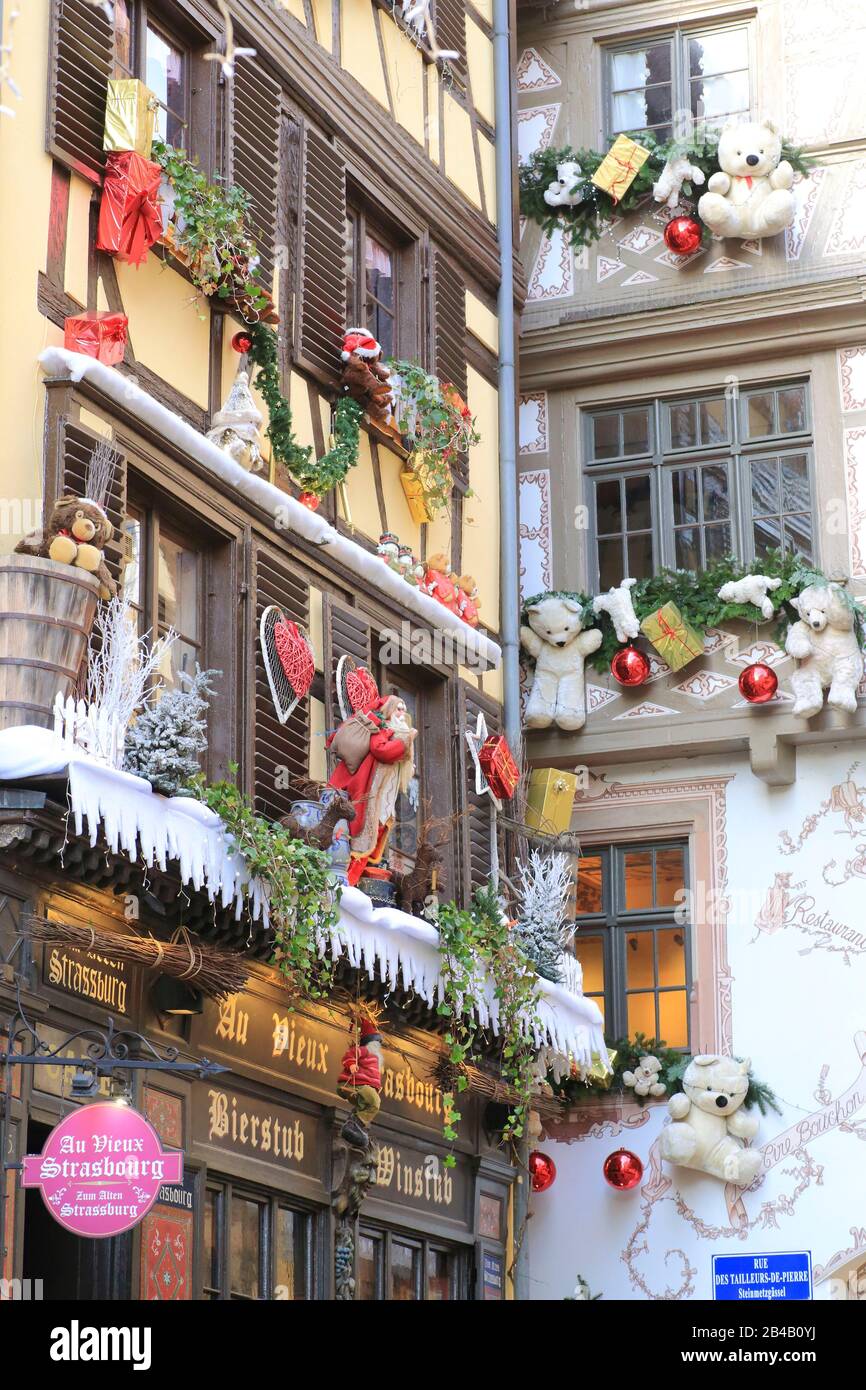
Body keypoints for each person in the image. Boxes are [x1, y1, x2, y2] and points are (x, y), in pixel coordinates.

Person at [327, 694, 417, 886]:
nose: (403, 713)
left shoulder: (397, 732)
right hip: (370, 795)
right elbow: (381, 751)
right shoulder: (382, 729)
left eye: (405, 710)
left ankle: (351, 881)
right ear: (389, 710)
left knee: (371, 837)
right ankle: (346, 882)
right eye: (399, 708)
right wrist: (405, 741)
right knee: (360, 837)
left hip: (384, 800)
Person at [337, 1018, 383, 1150]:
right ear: (369, 1042)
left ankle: (354, 1123)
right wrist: (351, 1065)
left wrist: (376, 1087)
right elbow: (350, 1055)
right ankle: (356, 1123)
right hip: (356, 1085)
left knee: (367, 1104)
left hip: (364, 1086)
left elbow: (373, 1077)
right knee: (375, 1102)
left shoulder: (375, 1058)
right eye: (376, 1042)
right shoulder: (364, 1051)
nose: (378, 1045)